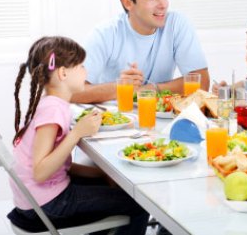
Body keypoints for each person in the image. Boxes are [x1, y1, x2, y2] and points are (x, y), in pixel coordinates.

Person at [8, 36, 149, 234]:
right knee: (140, 203)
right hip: (47, 204)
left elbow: (58, 166)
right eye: (81, 66)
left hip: (38, 198)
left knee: (111, 186)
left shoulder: (53, 104)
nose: (86, 71)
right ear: (63, 73)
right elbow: (40, 172)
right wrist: (76, 134)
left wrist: (100, 174)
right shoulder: (53, 111)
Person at [72, 0, 209, 103]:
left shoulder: (177, 24)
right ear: (128, 3)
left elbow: (201, 82)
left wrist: (149, 90)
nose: (163, 4)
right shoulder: (105, 34)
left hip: (160, 116)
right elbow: (72, 92)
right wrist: (121, 88)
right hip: (116, 116)